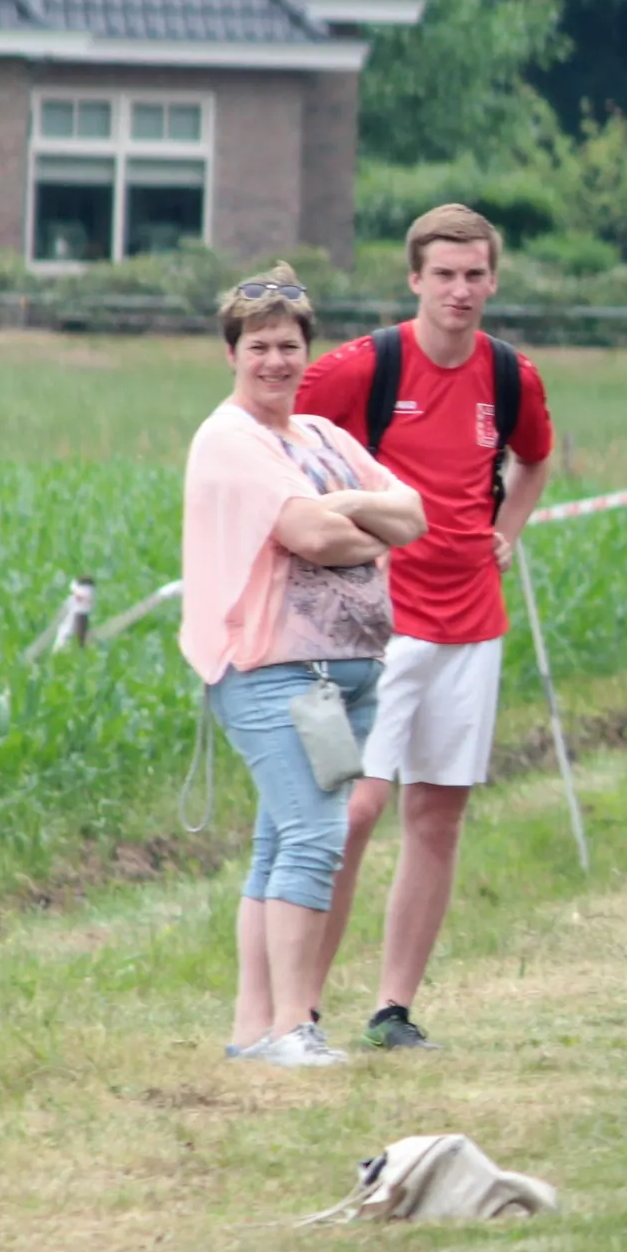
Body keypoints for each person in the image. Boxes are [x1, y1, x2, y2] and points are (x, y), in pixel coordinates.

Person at [299, 202, 560, 1051]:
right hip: (375, 623)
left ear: (493, 279)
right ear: (414, 278)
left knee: (438, 815)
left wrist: (508, 532)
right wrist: (333, 532)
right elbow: (283, 439)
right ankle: (299, 1007)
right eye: (443, 274)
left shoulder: (512, 374)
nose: (460, 290)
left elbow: (536, 455)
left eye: (475, 274)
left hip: (471, 621)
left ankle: (391, 1008)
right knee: (357, 807)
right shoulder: (363, 367)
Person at [182, 272, 430, 1068]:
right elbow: (311, 537)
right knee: (316, 838)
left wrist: (347, 511)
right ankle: (295, 1025)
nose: (276, 362)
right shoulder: (229, 439)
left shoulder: (321, 434)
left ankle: (256, 1028)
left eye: (289, 346)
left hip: (349, 671)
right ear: (232, 353)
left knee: (279, 841)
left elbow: (415, 515)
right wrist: (362, 518)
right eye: (259, 347)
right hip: (273, 669)